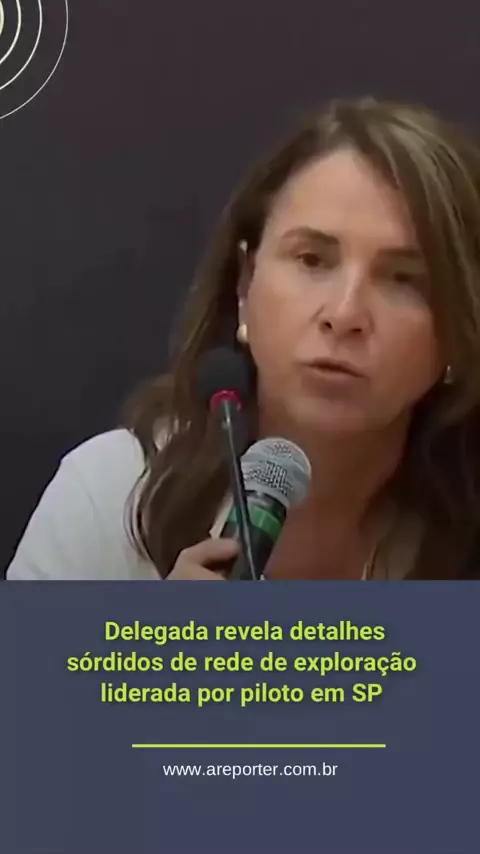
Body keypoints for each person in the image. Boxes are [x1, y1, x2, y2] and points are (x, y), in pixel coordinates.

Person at [7, 96, 480, 581]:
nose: (344, 314)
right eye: (312, 260)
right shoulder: (109, 495)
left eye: (404, 279)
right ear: (244, 283)